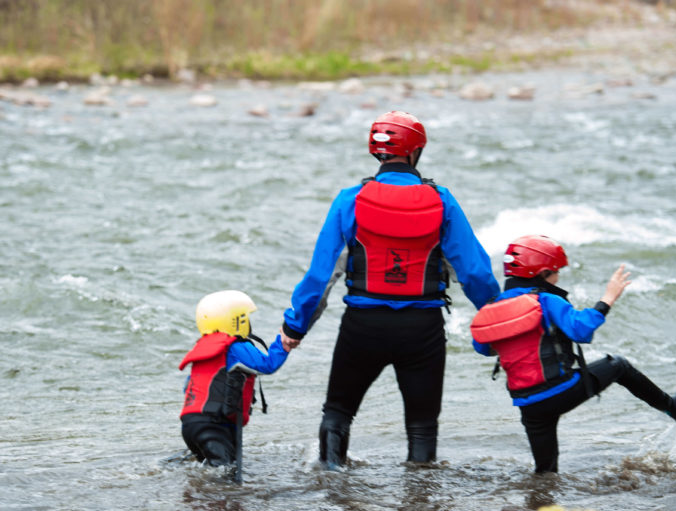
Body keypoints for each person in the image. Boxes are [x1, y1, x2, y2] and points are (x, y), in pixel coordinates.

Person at [280, 111, 500, 468]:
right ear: (416, 152)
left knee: (337, 413)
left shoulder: (349, 200)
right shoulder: (442, 201)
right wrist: (499, 318)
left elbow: (320, 276)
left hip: (361, 328)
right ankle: (420, 499)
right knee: (422, 428)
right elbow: (474, 272)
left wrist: (295, 327)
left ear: (375, 151)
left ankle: (331, 490)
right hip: (422, 331)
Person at [471, 235, 676, 474]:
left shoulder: (492, 307)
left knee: (546, 472)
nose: (558, 277)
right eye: (556, 271)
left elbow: (483, 347)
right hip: (560, 390)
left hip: (528, 404)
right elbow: (580, 329)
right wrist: (608, 298)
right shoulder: (546, 299)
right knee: (618, 366)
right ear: (543, 273)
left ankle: (541, 503)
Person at [179, 290, 291, 467]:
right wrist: (283, 343)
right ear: (238, 321)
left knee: (209, 471)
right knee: (227, 476)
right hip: (215, 427)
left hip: (189, 425)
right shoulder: (236, 347)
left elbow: (188, 388)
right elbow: (268, 364)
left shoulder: (203, 348)